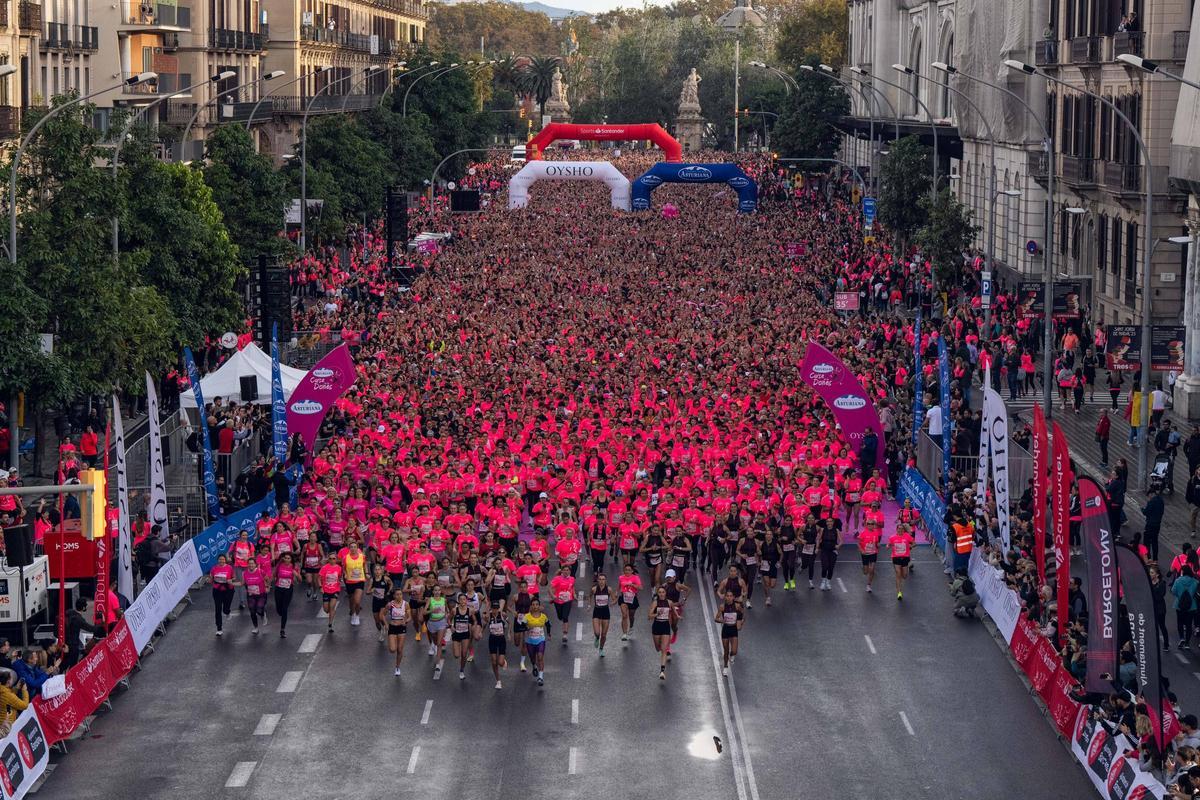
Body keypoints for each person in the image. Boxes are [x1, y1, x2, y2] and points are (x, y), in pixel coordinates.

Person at [648, 585, 677, 680]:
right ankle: (660, 646)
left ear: (665, 593)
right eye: (659, 592)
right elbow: (649, 616)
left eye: (663, 592)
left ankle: (662, 671)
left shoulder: (669, 602)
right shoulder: (655, 603)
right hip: (656, 626)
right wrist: (656, 614)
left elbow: (673, 610)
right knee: (658, 648)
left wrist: (677, 616)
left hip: (665, 626)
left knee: (664, 649)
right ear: (658, 594)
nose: (661, 594)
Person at [64, 597, 104, 667]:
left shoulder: (69, 613)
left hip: (65, 642)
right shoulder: (78, 619)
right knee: (73, 665)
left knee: (65, 663)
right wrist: (102, 624)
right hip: (73, 644)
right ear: (83, 607)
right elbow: (91, 628)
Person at [715, 589, 743, 676]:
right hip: (726, 629)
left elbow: (742, 614)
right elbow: (716, 618)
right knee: (726, 650)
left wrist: (741, 622)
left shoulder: (737, 606)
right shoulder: (722, 607)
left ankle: (732, 655)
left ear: (733, 597)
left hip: (734, 629)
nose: (729, 598)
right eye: (727, 596)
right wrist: (721, 621)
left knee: (734, 651)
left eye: (731, 596)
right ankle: (725, 667)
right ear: (725, 597)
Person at [384, 589, 411, 677]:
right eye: (397, 594)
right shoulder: (390, 604)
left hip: (401, 628)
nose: (399, 596)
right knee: (392, 650)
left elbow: (409, 617)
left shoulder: (405, 604)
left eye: (401, 594)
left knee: (399, 649)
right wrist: (386, 625)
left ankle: (397, 667)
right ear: (394, 596)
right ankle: (392, 642)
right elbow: (382, 615)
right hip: (392, 627)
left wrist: (406, 621)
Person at [524, 598, 549, 686]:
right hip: (529, 641)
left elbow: (548, 624)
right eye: (533, 605)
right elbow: (521, 626)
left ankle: (540, 677)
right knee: (532, 658)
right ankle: (534, 666)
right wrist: (527, 628)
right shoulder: (526, 617)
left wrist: (549, 634)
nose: (535, 606)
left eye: (537, 604)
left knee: (540, 657)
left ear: (539, 606)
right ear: (531, 606)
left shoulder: (543, 616)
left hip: (540, 640)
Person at [210, 554, 236, 637]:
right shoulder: (214, 568)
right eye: (220, 559)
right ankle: (219, 628)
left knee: (225, 609)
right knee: (218, 609)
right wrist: (208, 579)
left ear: (225, 560)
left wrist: (230, 580)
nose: (221, 561)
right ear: (217, 560)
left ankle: (227, 612)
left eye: (223, 559)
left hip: (228, 590)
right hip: (217, 590)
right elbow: (211, 580)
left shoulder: (229, 568)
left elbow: (234, 578)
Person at [1174, 565, 1199, 650]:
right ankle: (1187, 643)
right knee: (1189, 624)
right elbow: (1197, 593)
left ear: (1182, 572)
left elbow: (1173, 591)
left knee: (1180, 622)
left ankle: (1182, 638)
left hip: (1179, 605)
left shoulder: (1178, 580)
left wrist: (1180, 595)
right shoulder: (1195, 582)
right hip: (1191, 606)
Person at [889, 524, 916, 601]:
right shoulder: (892, 537)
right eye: (899, 529)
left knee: (904, 576)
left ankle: (902, 574)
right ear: (896, 529)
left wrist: (911, 546)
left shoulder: (907, 536)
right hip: (896, 557)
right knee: (898, 574)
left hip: (905, 557)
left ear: (904, 530)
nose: (900, 530)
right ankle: (899, 592)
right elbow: (889, 544)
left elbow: (914, 543)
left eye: (902, 529)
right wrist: (888, 546)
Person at [317, 553, 343, 633]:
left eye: (334, 558)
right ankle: (331, 612)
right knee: (326, 610)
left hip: (335, 590)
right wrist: (320, 587)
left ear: (336, 560)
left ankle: (330, 624)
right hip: (326, 590)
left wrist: (341, 580)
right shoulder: (324, 568)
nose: (332, 560)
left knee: (332, 607)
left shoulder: (339, 568)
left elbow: (340, 577)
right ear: (328, 559)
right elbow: (319, 578)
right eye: (330, 558)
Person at [274, 552, 297, 639]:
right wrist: (267, 584)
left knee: (284, 609)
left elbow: (300, 580)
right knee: (279, 609)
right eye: (285, 558)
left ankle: (282, 629)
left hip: (288, 589)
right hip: (278, 589)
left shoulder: (294, 567)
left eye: (289, 558)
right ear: (283, 558)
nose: (287, 560)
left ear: (291, 560)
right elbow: (274, 575)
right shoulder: (279, 565)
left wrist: (296, 574)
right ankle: (281, 613)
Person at [617, 563, 643, 641]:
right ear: (623, 570)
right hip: (623, 597)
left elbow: (641, 588)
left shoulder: (635, 578)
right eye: (626, 570)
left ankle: (631, 626)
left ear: (632, 571)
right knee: (624, 615)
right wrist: (616, 593)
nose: (627, 571)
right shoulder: (621, 577)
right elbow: (619, 586)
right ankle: (624, 634)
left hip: (632, 598)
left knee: (631, 615)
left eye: (629, 570)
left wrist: (632, 585)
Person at [485, 602, 507, 689]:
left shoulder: (502, 615)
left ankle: (503, 662)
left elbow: (509, 623)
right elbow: (484, 624)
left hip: (501, 639)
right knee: (494, 662)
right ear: (491, 608)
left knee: (500, 663)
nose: (495, 610)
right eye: (493, 608)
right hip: (492, 639)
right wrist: (481, 632)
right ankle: (498, 681)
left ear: (498, 608)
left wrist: (509, 633)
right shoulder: (489, 616)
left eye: (496, 608)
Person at [591, 573, 612, 657]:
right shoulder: (594, 589)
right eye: (600, 579)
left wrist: (613, 602)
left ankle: (601, 649)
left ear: (605, 580)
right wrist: (589, 605)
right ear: (597, 580)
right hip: (596, 611)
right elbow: (589, 596)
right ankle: (596, 638)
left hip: (605, 612)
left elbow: (614, 599)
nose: (601, 581)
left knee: (603, 635)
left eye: (603, 579)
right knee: (597, 633)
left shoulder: (609, 589)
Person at [1143, 487, 1165, 562]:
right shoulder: (1161, 501)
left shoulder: (1151, 502)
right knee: (1155, 542)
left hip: (1150, 524)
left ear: (1152, 494)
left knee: (1147, 541)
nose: (1149, 497)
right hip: (1157, 524)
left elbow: (1146, 512)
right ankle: (1155, 559)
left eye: (1149, 496)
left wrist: (1143, 509)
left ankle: (1148, 558)